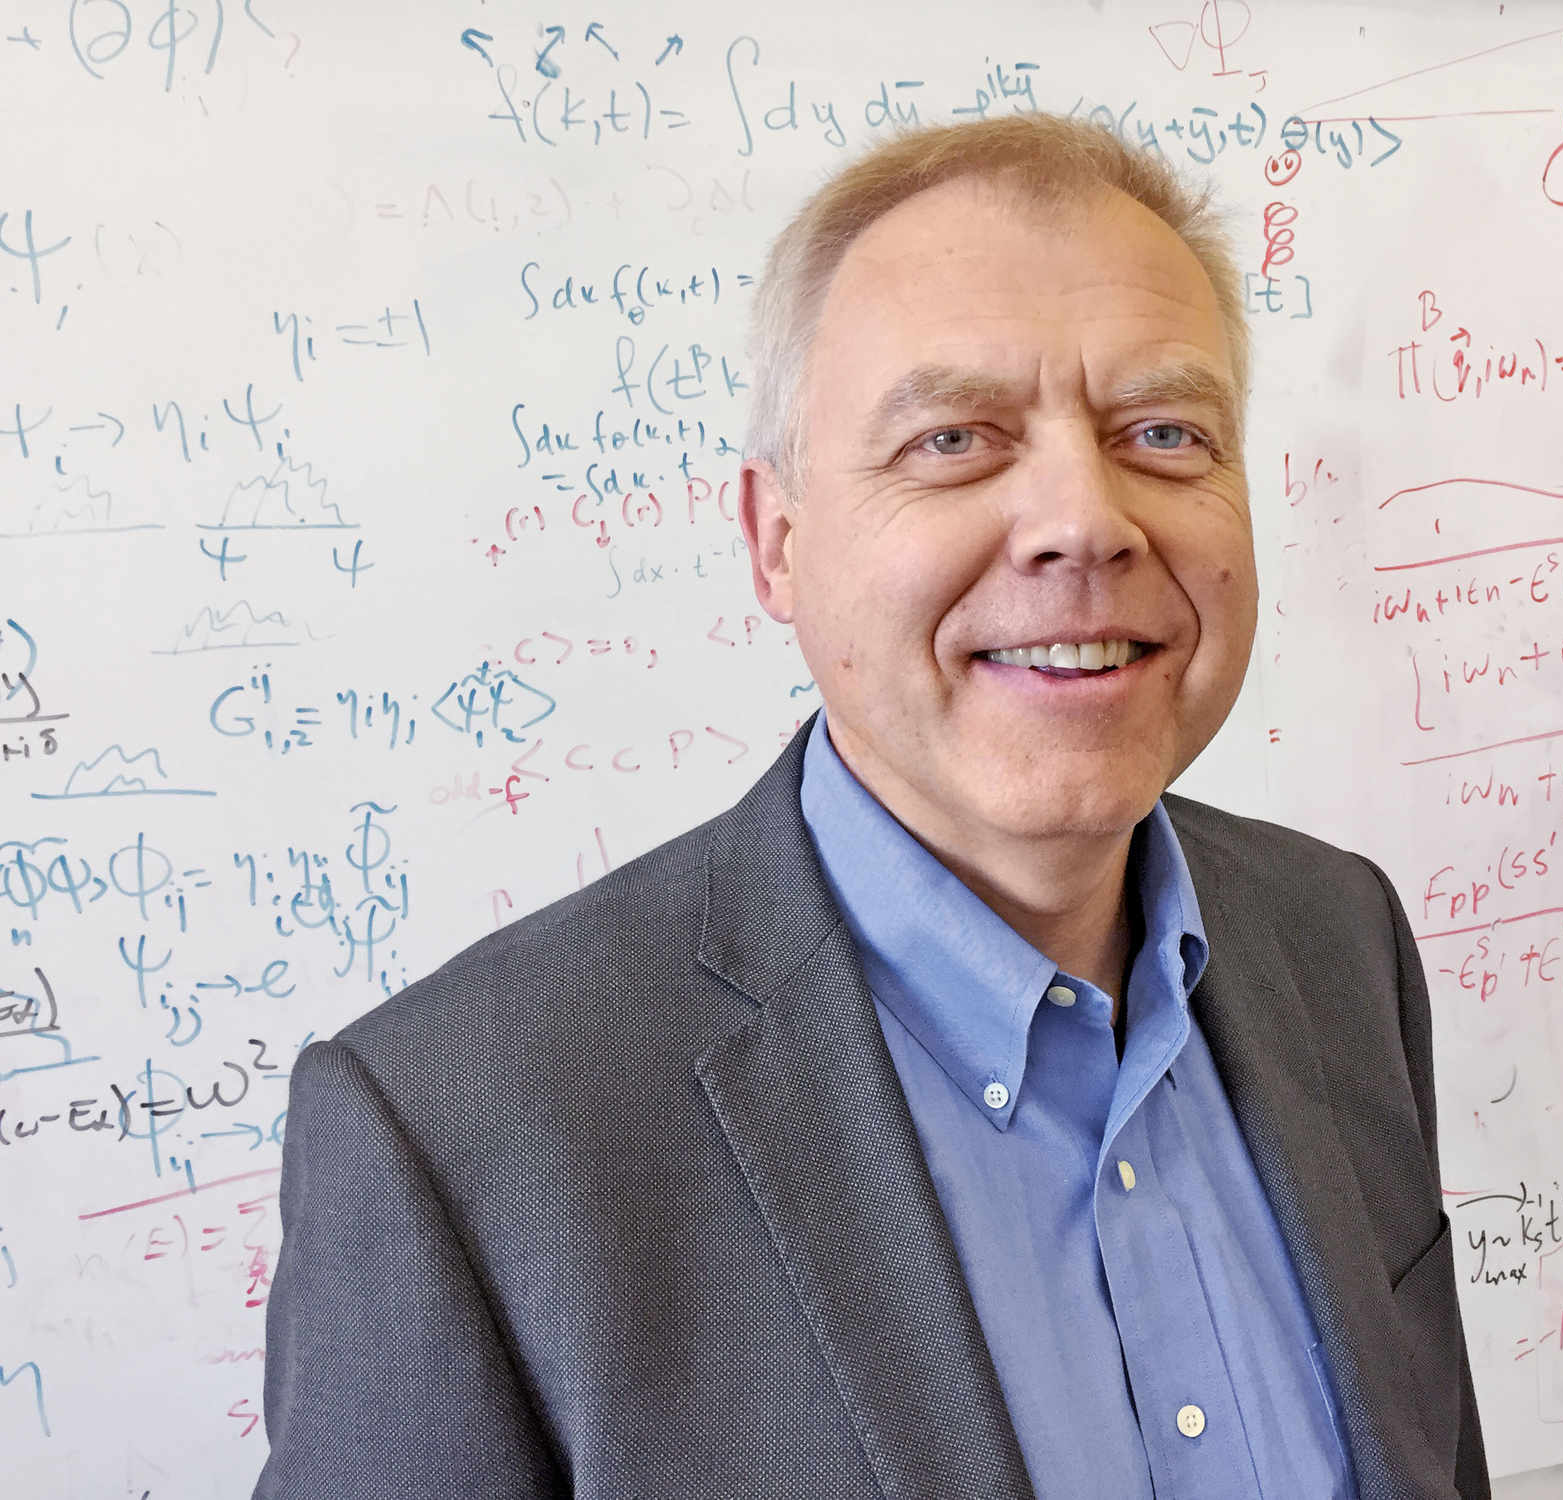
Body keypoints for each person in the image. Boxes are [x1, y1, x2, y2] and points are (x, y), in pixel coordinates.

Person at [256, 115, 1490, 1500]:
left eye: (1163, 433)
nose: (1085, 520)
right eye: (953, 440)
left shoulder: (1339, 941)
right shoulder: (455, 1135)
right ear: (777, 542)